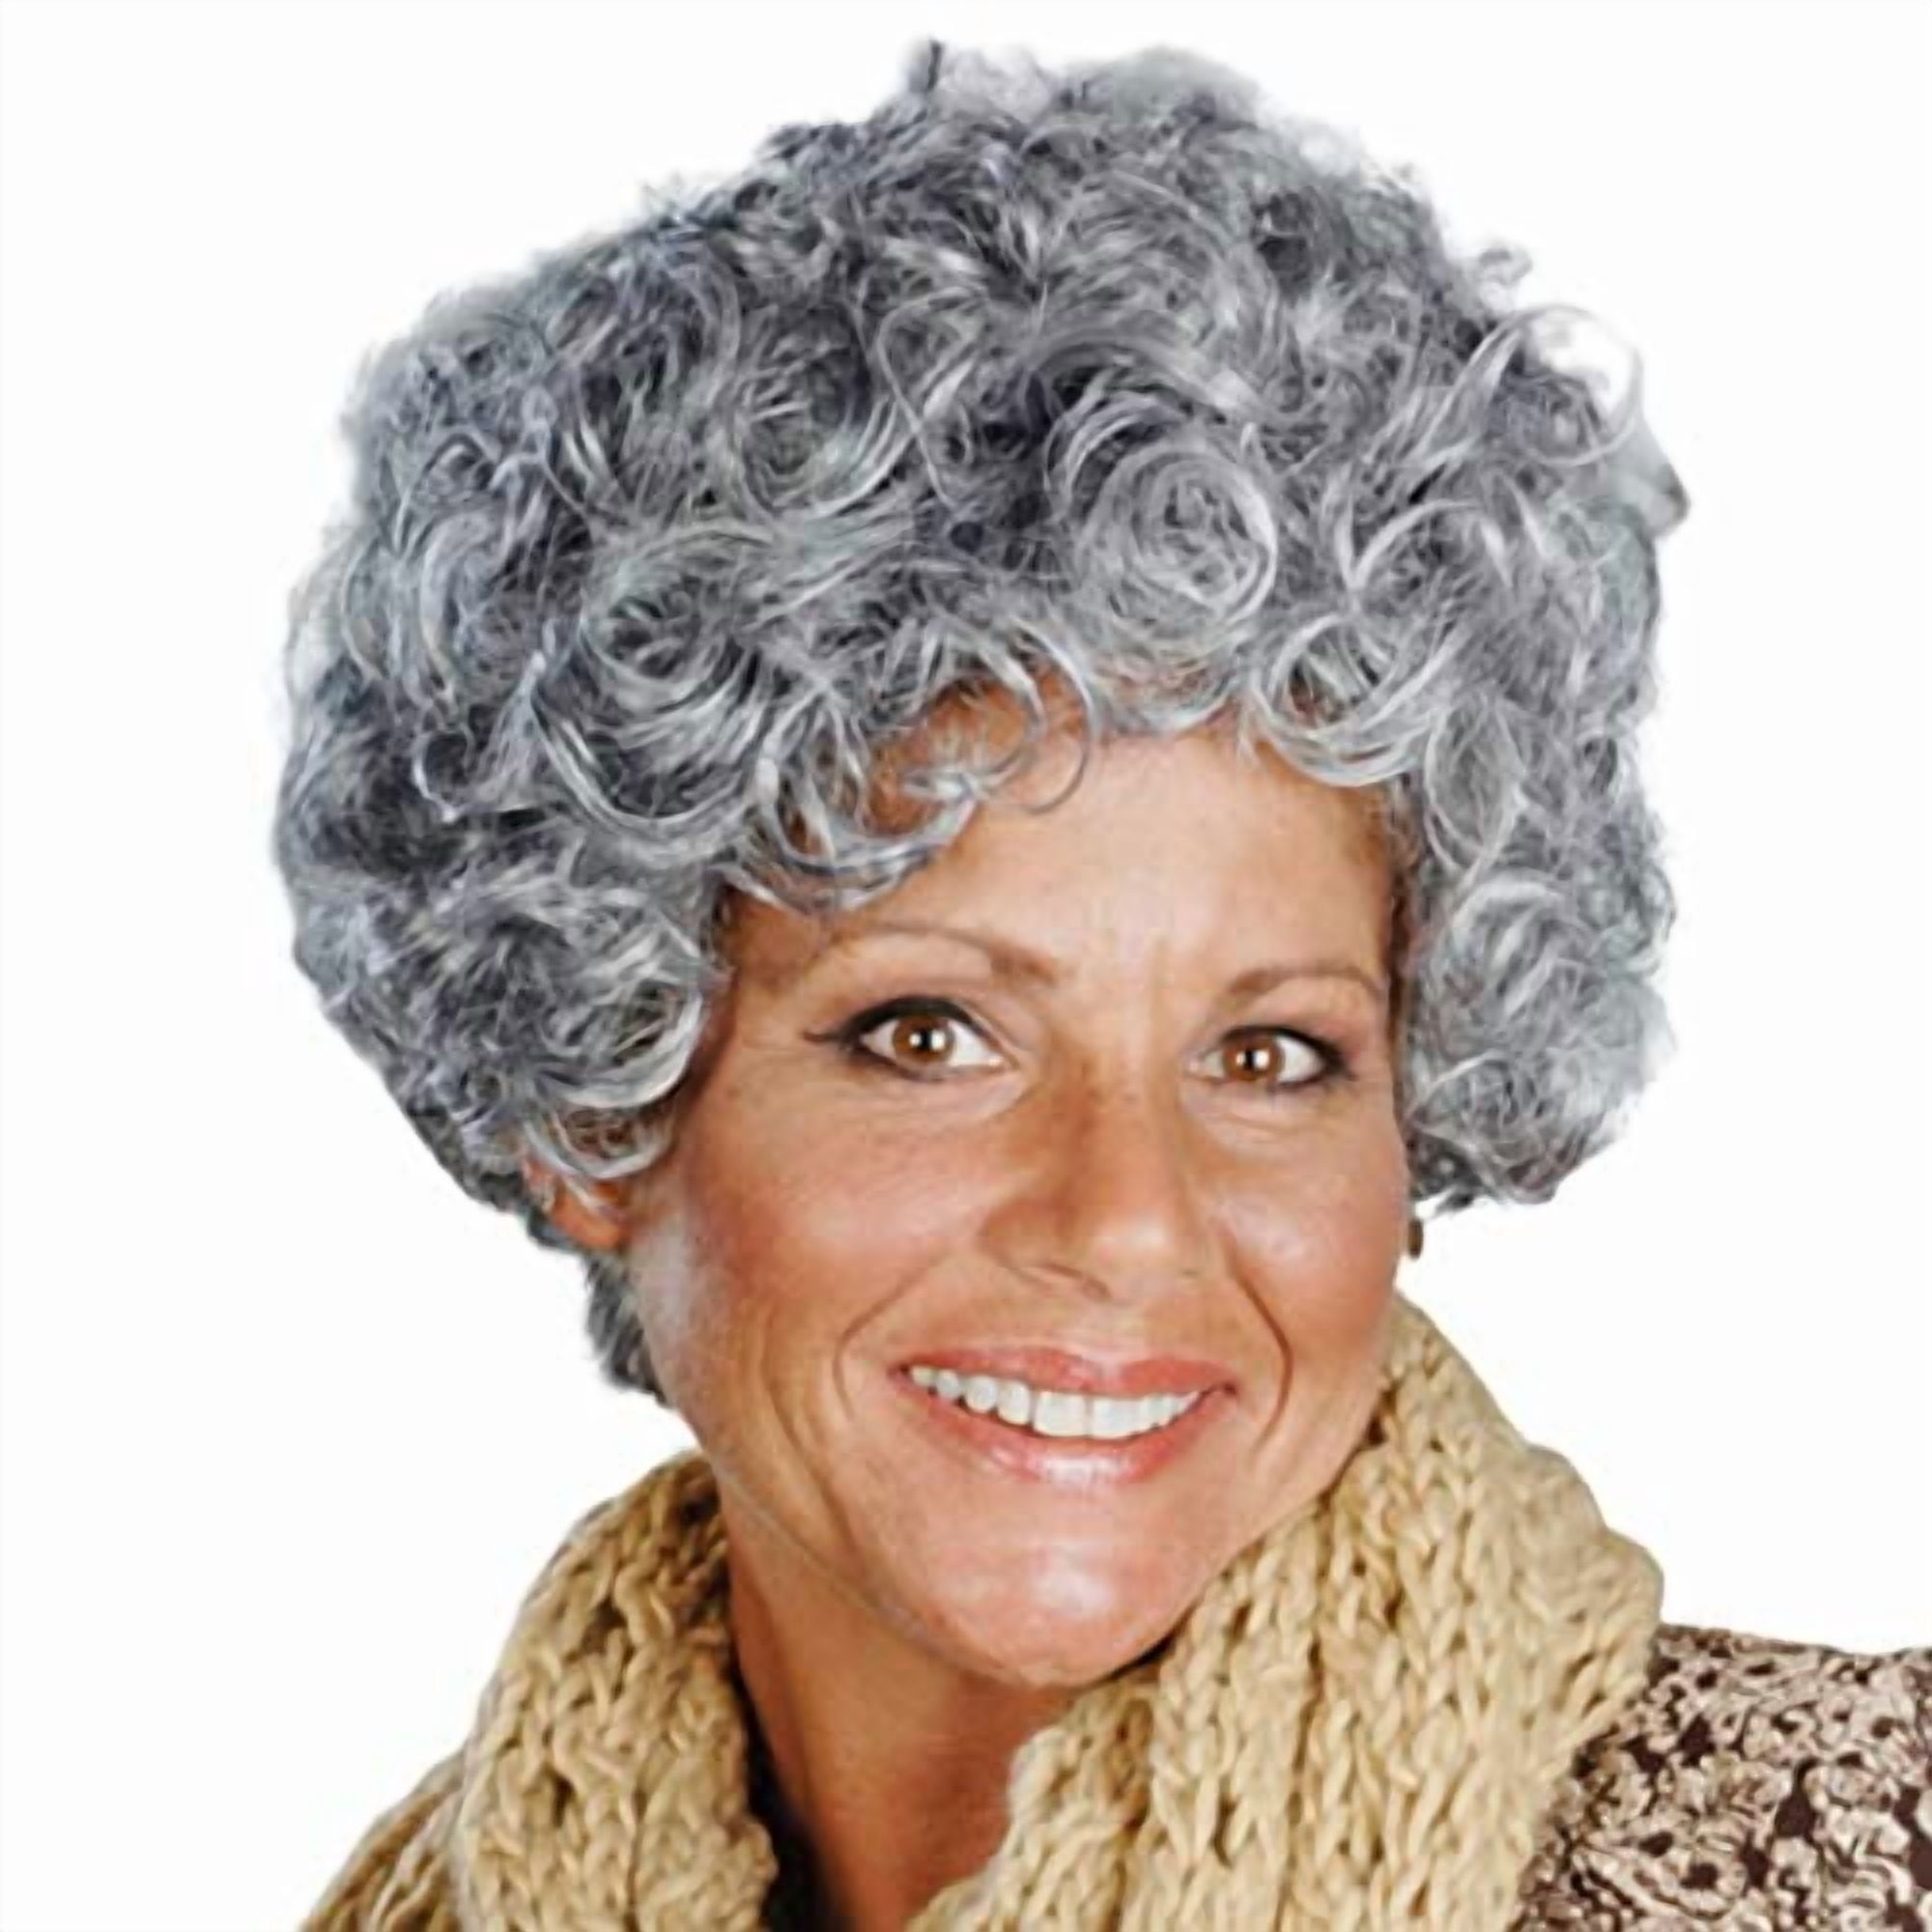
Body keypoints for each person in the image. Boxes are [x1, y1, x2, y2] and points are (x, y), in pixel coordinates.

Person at [273, 39, 1929, 1930]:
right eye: (931, 1036)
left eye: (1270, 1052)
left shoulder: (1855, 1862)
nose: (1128, 1218)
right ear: (591, 1108)